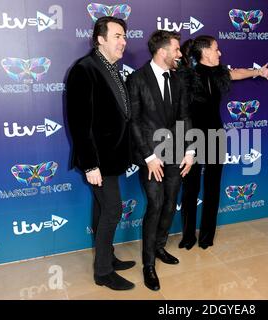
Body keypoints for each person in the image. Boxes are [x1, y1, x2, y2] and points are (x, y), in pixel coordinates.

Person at [177, 35, 268, 250]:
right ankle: (188, 236)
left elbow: (237, 73)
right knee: (190, 188)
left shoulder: (220, 72)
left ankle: (206, 236)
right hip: (192, 138)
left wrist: (258, 71)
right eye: (216, 49)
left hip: (215, 136)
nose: (220, 53)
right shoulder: (186, 76)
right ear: (205, 53)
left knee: (212, 187)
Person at [66, 16, 135, 290]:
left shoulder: (111, 67)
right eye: (117, 36)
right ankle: (103, 272)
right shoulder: (85, 69)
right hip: (99, 160)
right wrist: (91, 164)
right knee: (113, 210)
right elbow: (79, 123)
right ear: (100, 39)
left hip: (114, 157)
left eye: (124, 36)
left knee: (102, 208)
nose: (123, 41)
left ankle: (108, 257)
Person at [126, 30, 193, 291]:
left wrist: (190, 151)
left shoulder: (177, 80)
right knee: (155, 204)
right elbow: (134, 121)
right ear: (162, 51)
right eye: (176, 49)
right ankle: (148, 264)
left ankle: (159, 246)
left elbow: (185, 116)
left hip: (176, 152)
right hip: (151, 155)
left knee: (170, 202)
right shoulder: (137, 79)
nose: (180, 54)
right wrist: (149, 157)